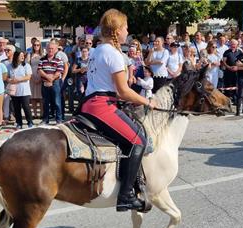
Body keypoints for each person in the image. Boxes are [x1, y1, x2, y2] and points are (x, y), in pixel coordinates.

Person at [80, 9, 157, 212]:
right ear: (116, 30)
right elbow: (123, 91)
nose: (127, 31)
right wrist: (147, 102)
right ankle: (125, 196)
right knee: (139, 139)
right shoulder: (113, 54)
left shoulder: (96, 50)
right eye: (125, 27)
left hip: (88, 103)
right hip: (101, 106)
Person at [38, 40, 64, 124]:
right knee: (45, 102)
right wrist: (47, 77)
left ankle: (58, 120)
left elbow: (59, 71)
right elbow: (39, 70)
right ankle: (45, 120)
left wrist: (51, 79)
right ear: (46, 48)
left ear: (56, 49)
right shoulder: (42, 59)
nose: (50, 50)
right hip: (45, 83)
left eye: (52, 48)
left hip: (55, 83)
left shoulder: (58, 60)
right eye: (49, 48)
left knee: (57, 102)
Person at [7, 51, 33, 129]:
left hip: (24, 91)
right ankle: (19, 123)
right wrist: (10, 80)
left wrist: (17, 79)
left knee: (26, 107)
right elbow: (7, 77)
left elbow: (28, 77)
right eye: (20, 55)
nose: (22, 57)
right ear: (16, 56)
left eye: (23, 55)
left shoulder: (26, 66)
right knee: (16, 108)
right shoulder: (10, 66)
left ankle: (30, 122)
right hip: (15, 91)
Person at [27, 38, 44, 118]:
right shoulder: (29, 55)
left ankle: (41, 113)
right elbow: (27, 67)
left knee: (41, 97)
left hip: (41, 76)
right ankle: (35, 114)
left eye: (38, 45)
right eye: (35, 45)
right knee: (33, 97)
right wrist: (32, 78)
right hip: (32, 77)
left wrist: (41, 78)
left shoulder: (43, 55)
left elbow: (45, 67)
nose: (36, 46)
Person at [222, 39, 242, 103]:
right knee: (228, 85)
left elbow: (241, 61)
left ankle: (235, 99)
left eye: (234, 44)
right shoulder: (226, 52)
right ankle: (228, 99)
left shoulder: (240, 52)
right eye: (232, 44)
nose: (233, 45)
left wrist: (237, 67)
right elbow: (224, 62)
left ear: (237, 45)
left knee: (236, 85)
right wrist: (228, 67)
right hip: (228, 72)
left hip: (237, 72)